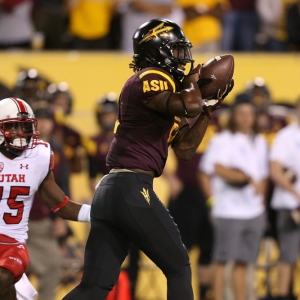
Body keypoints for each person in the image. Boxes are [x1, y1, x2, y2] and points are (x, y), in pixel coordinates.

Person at [63, 18, 233, 300]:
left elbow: (185, 149)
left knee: (94, 286)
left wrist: (208, 110)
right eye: (177, 51)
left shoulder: (165, 93)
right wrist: (197, 89)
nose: (183, 59)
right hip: (131, 187)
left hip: (112, 191)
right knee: (178, 267)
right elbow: (188, 104)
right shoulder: (151, 76)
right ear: (157, 49)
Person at [0, 97, 91, 300]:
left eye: (25, 127)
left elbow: (61, 204)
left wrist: (98, 213)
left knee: (3, 277)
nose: (21, 134)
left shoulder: (38, 155)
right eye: (13, 126)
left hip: (12, 243)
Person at [199, 94, 268, 300]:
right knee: (222, 260)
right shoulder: (222, 140)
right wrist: (213, 199)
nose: (246, 118)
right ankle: (218, 296)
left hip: (254, 210)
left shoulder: (261, 142)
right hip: (228, 210)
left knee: (243, 261)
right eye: (242, 113)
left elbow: (263, 175)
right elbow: (213, 170)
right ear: (233, 116)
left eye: (250, 114)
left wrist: (261, 198)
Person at [26, 104, 71, 300]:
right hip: (17, 219)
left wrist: (61, 218)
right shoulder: (21, 147)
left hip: (41, 220)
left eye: (47, 119)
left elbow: (63, 186)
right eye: (39, 120)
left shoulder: (58, 151)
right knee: (15, 269)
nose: (43, 124)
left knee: (54, 264)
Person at [269, 98, 300, 300]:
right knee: (288, 256)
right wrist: (296, 193)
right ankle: (281, 295)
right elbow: (275, 171)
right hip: (291, 205)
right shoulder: (287, 136)